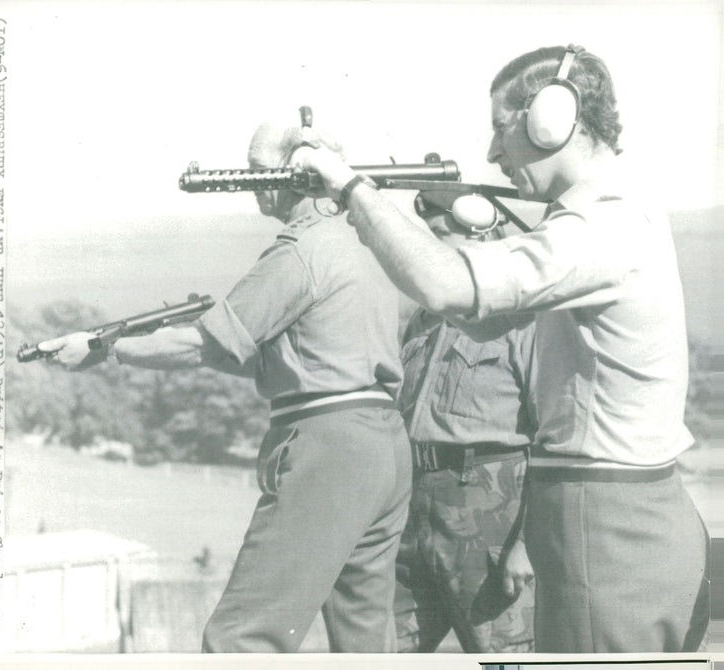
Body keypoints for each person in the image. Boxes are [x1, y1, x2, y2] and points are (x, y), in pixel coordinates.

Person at [294, 45, 709, 652]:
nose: (493, 152)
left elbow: (446, 285)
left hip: (605, 523)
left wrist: (353, 189)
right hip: (624, 516)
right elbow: (482, 317)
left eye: (500, 127)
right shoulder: (617, 212)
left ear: (552, 117)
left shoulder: (599, 225)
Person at [40, 116, 412, 652]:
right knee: (365, 637)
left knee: (241, 639)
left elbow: (208, 344)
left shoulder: (301, 251)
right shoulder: (363, 243)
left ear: (298, 172)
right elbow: (281, 358)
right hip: (381, 444)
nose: (251, 183)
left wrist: (103, 348)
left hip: (328, 449)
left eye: (260, 171)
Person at [393, 192, 536, 653]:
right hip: (413, 507)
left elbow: (557, 438)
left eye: (438, 237)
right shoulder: (424, 317)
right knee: (382, 651)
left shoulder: (524, 317)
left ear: (482, 232)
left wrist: (525, 545)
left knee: (503, 654)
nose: (428, 253)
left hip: (489, 512)